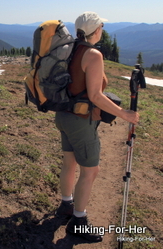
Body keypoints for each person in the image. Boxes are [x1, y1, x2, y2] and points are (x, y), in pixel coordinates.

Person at [54, 11, 139, 242]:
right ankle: (78, 222)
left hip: (63, 115)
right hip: (81, 120)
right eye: (101, 26)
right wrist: (124, 114)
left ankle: (66, 206)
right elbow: (95, 95)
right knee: (91, 171)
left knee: (69, 162)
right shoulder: (93, 54)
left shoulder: (69, 48)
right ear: (97, 30)